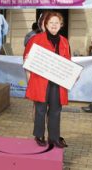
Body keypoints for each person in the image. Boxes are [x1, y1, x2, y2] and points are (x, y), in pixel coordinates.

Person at [23, 11, 70, 148]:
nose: (54, 25)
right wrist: (29, 79)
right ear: (46, 24)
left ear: (61, 25)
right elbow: (26, 59)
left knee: (55, 110)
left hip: (57, 83)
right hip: (39, 81)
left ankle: (54, 138)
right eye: (51, 23)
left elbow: (68, 61)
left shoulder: (64, 42)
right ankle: (39, 135)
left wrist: (72, 74)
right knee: (40, 109)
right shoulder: (35, 40)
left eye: (57, 23)